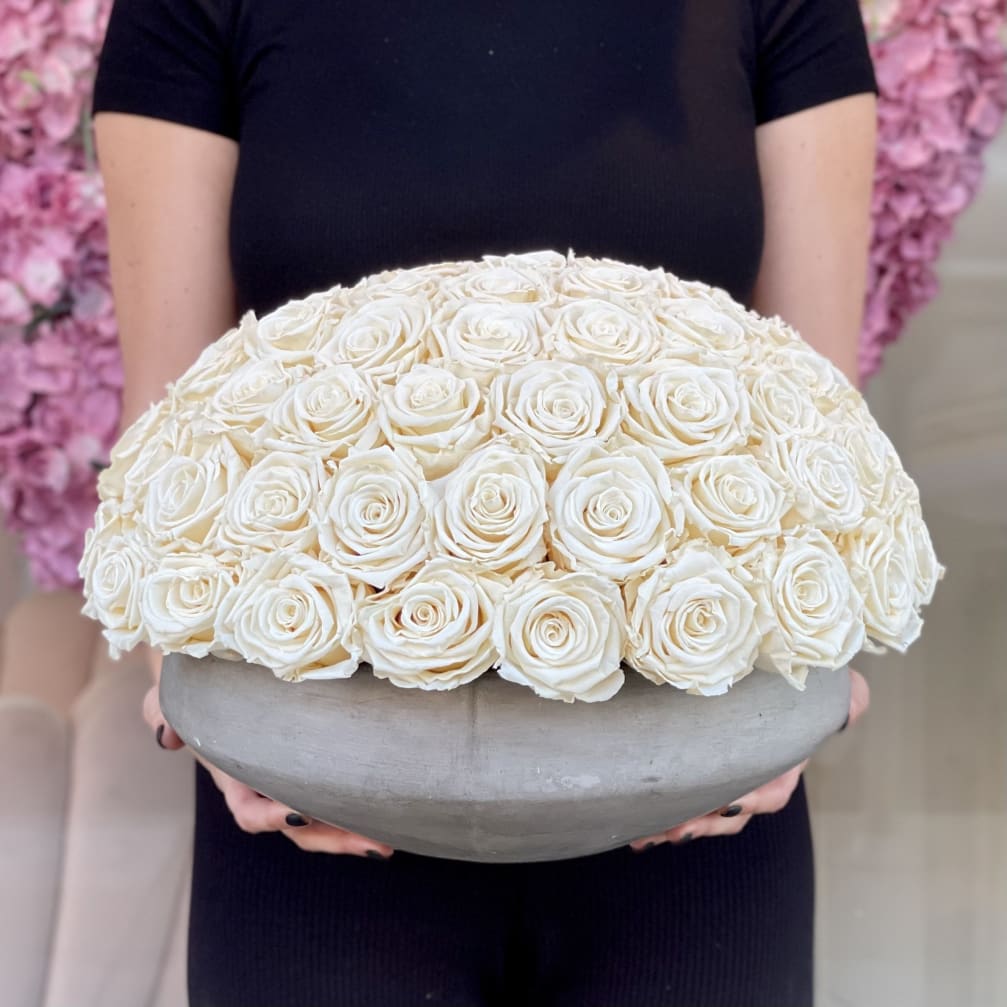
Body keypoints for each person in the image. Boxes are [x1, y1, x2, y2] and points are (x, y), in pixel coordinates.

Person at [91, 1, 875, 1003]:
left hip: (690, 803)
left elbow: (812, 425)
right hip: (316, 812)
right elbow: (169, 431)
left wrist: (812, 686)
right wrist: (192, 708)